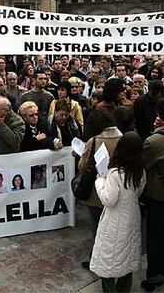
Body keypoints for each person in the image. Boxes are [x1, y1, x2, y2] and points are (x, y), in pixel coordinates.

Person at [90, 132, 146, 292]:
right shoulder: (140, 169)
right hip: (132, 216)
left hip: (114, 220)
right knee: (126, 260)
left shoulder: (115, 173)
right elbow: (139, 190)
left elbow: (108, 200)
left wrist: (100, 180)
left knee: (108, 262)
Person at [78, 109, 123, 270]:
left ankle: (97, 260)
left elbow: (83, 167)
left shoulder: (94, 141)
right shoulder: (123, 138)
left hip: (98, 192)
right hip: (118, 190)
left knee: (98, 227)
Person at [141, 98, 164, 292]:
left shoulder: (155, 141)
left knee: (155, 237)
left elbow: (144, 165)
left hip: (158, 197)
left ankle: (155, 275)